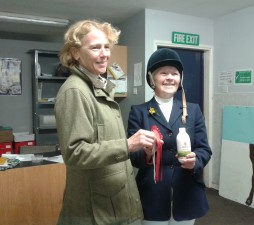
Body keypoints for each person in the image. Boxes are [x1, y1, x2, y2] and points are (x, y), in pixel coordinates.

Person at [54, 19, 158, 225]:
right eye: (95, 47)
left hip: (116, 202)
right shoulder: (75, 91)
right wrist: (128, 145)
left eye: (106, 47)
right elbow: (75, 152)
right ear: (75, 53)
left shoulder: (100, 86)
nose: (104, 54)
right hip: (97, 211)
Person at [127, 48, 212, 225]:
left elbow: (204, 149)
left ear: (180, 78)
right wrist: (148, 154)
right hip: (153, 193)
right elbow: (134, 158)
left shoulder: (194, 110)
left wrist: (195, 162)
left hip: (187, 190)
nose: (170, 78)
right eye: (163, 73)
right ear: (152, 78)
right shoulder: (139, 112)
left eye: (174, 73)